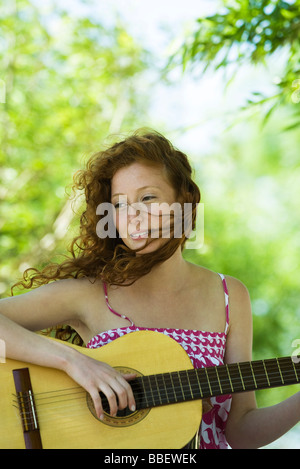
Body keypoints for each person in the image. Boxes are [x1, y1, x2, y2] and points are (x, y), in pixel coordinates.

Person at [0, 130, 299, 449]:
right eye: (120, 204)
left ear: (183, 202)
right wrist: (74, 361)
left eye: (148, 198)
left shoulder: (229, 295)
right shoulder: (88, 294)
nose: (135, 216)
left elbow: (239, 433)